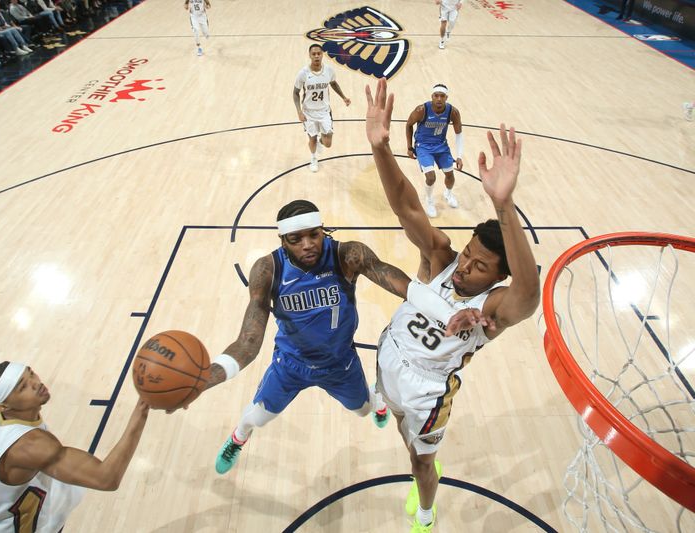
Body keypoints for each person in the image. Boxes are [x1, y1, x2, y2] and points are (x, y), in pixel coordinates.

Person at [365, 78, 540, 533]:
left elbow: (530, 292)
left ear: (498, 276)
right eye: (468, 253)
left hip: (429, 389)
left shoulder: (496, 307)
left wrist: (504, 205)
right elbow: (406, 207)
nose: (464, 267)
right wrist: (381, 148)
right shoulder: (441, 258)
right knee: (386, 402)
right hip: (388, 355)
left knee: (419, 463)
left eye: (480, 265)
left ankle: (425, 514)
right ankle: (385, 404)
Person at [205, 199, 419, 474]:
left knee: (364, 411)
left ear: (323, 231)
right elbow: (248, 341)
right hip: (291, 364)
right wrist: (205, 377)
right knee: (256, 418)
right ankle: (238, 438)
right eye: (296, 239)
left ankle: (378, 397)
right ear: (282, 240)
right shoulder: (267, 270)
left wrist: (428, 301)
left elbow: (389, 276)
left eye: (314, 235)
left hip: (339, 363)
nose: (307, 244)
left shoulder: (347, 255)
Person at [0, 361, 151, 532]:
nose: (36, 383)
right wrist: (143, 407)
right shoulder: (30, 446)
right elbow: (106, 478)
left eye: (31, 374)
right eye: (23, 387)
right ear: (3, 405)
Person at [405, 83, 463, 218]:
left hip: (441, 146)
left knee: (450, 175)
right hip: (423, 146)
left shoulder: (453, 112)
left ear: (446, 98)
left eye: (442, 96)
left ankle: (448, 194)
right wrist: (409, 147)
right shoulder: (421, 110)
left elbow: (459, 133)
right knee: (431, 177)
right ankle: (429, 200)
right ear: (432, 96)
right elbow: (409, 125)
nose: (438, 99)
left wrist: (459, 156)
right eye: (436, 96)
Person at [293, 44, 351, 173]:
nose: (316, 56)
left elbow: (334, 83)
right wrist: (299, 112)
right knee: (311, 138)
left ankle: (321, 140)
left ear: (322, 54)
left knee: (328, 143)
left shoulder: (329, 70)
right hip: (309, 113)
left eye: (319, 53)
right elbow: (295, 93)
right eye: (313, 54)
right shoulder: (303, 73)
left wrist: (344, 97)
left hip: (324, 112)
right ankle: (313, 159)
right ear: (309, 55)